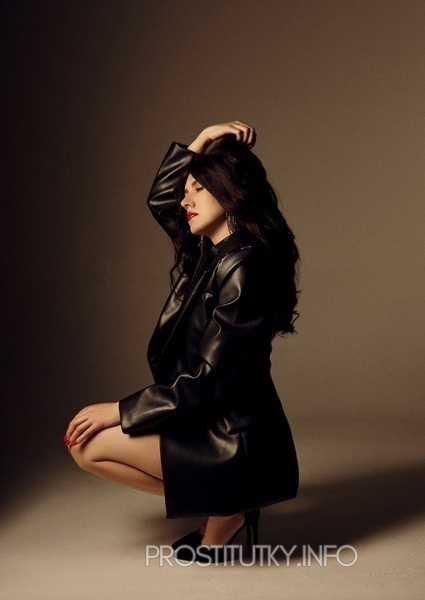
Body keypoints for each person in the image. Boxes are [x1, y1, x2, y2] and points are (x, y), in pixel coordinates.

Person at [65, 121, 299, 562]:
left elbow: (210, 380)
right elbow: (162, 200)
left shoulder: (244, 268)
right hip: (207, 421)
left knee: (89, 445)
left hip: (234, 439)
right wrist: (203, 138)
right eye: (186, 190)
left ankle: (228, 506)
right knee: (85, 448)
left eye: (198, 189)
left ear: (228, 193)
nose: (185, 200)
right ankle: (226, 504)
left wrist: (119, 410)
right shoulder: (209, 252)